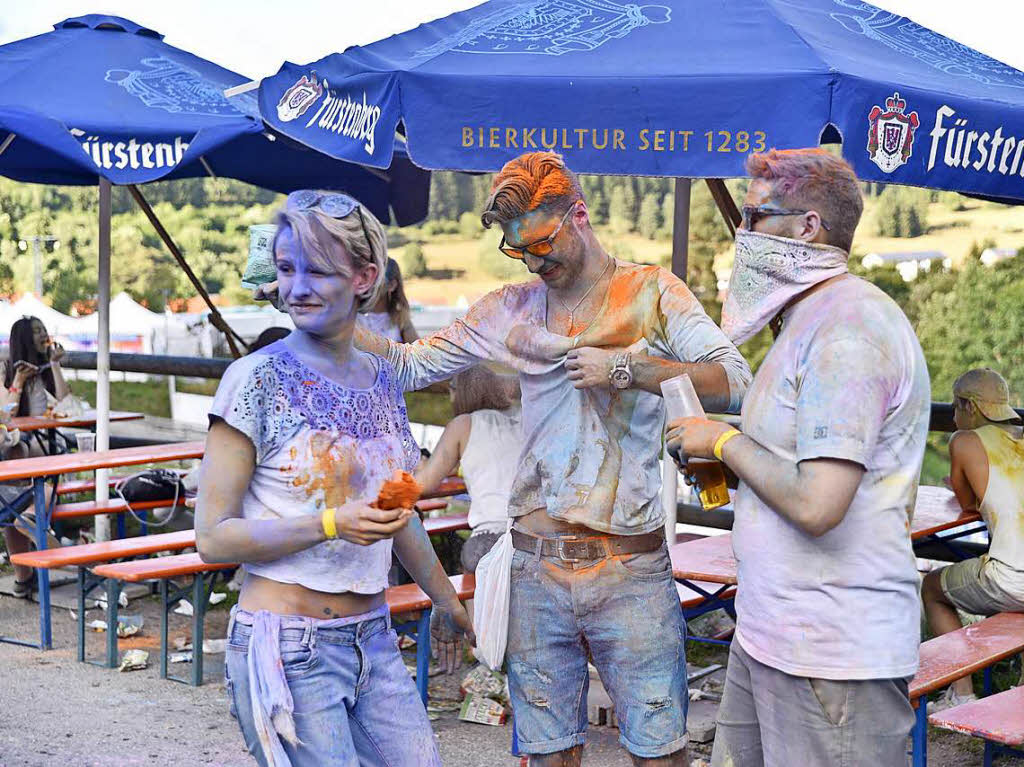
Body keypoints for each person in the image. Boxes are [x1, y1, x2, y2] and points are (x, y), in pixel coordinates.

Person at [354, 152, 751, 766]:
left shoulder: (650, 293)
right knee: (546, 757)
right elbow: (409, 364)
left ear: (579, 215)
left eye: (542, 242)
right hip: (533, 567)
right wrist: (325, 309)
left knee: (659, 753)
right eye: (520, 251)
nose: (536, 262)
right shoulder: (508, 308)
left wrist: (628, 368)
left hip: (631, 568)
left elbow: (737, 378)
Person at [667, 148, 931, 767]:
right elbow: (795, 458)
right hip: (772, 635)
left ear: (808, 227)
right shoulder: (808, 321)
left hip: (832, 654)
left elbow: (818, 503)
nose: (743, 235)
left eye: (755, 217)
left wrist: (725, 442)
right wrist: (725, 456)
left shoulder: (848, 331)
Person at [196, 189, 472, 767]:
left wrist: (446, 601)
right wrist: (329, 523)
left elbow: (397, 514)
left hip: (374, 635)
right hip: (286, 644)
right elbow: (213, 537)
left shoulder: (382, 379)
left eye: (318, 271)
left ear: (365, 276)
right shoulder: (254, 380)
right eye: (287, 269)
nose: (297, 288)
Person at [921, 368, 1024, 709]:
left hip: (1011, 579)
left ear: (971, 407)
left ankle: (961, 694)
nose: (952, 417)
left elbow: (967, 505)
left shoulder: (964, 442)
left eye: (955, 407)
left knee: (932, 588)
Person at [415, 363, 523, 573]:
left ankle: (467, 608)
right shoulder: (522, 416)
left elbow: (424, 485)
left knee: (472, 568)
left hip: (490, 537)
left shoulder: (463, 425)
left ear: (458, 391)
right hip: (534, 536)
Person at [1, 316, 70, 596]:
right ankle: (28, 516)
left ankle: (24, 576)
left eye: (44, 330)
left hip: (41, 443)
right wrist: (18, 379)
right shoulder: (6, 368)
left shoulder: (45, 369)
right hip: (13, 446)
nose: (44, 335)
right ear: (24, 338)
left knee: (22, 494)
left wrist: (55, 365)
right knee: (21, 455)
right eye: (37, 331)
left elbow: (65, 401)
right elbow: (6, 413)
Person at [358, 257, 418, 343]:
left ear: (392, 285)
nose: (369, 282)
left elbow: (418, 353)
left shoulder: (399, 317)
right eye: (367, 276)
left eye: (376, 278)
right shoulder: (353, 316)